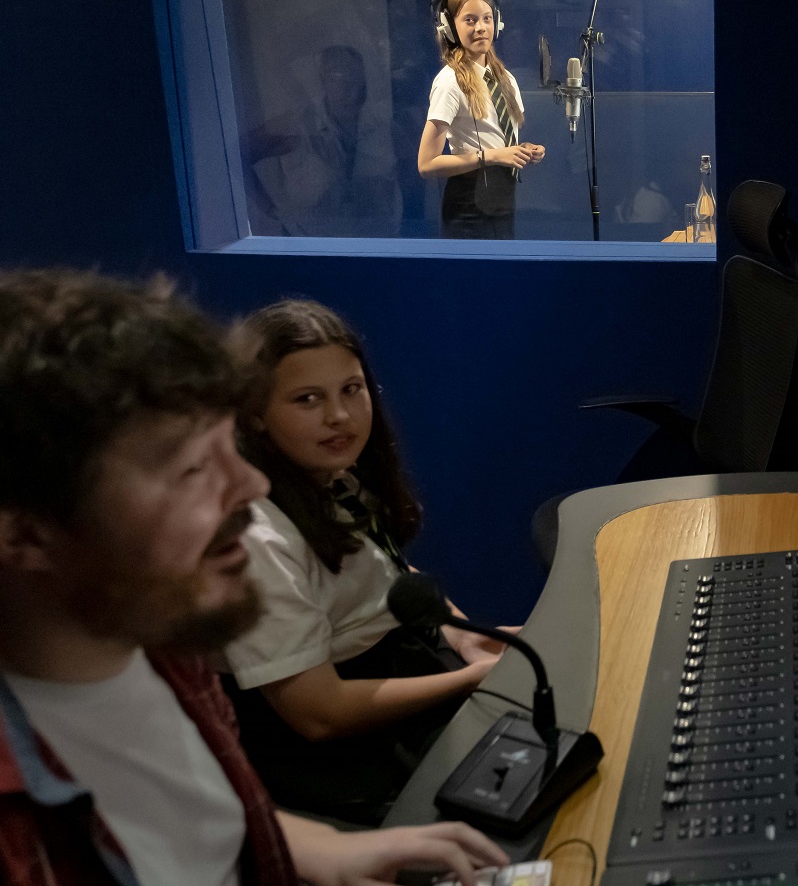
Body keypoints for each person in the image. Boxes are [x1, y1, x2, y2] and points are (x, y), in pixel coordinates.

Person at [0, 269, 508, 885]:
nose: (252, 487)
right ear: (23, 532)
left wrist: (321, 848)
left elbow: (205, 817)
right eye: (190, 470)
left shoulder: (170, 657)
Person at [220, 299, 515, 825]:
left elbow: (394, 581)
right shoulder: (258, 539)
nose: (339, 416)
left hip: (404, 668)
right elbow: (320, 715)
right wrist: (476, 679)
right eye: (308, 399)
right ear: (255, 414)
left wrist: (468, 638)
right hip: (342, 746)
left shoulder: (333, 477)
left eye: (351, 390)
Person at [417, 0, 545, 239]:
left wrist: (522, 151)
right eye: (470, 20)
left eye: (487, 18)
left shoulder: (505, 79)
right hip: (468, 206)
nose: (481, 28)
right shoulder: (449, 82)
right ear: (449, 27)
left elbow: (497, 139)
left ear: (497, 23)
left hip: (503, 198)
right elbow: (426, 164)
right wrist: (493, 156)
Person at [245, 45, 404, 238]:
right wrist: (271, 211)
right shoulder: (298, 126)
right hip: (312, 248)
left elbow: (414, 176)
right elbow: (237, 154)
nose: (349, 88)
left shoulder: (385, 127)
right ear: (323, 80)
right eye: (339, 78)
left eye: (355, 79)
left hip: (378, 244)